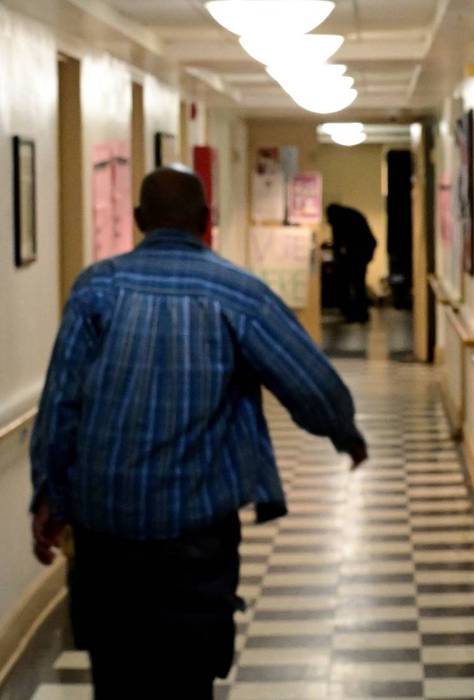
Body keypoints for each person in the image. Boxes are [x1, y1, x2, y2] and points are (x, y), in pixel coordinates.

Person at [29, 167, 368, 699]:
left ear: (138, 220)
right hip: (194, 541)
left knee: (115, 679)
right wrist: (343, 432)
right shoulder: (237, 294)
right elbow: (306, 378)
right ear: (207, 221)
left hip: (105, 539)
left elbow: (61, 404)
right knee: (187, 681)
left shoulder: (97, 288)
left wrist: (50, 496)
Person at [326, 203, 377, 323]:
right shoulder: (352, 215)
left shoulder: (340, 220)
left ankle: (351, 313)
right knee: (358, 284)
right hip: (361, 253)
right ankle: (360, 313)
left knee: (348, 284)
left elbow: (338, 243)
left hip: (357, 254)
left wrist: (337, 260)